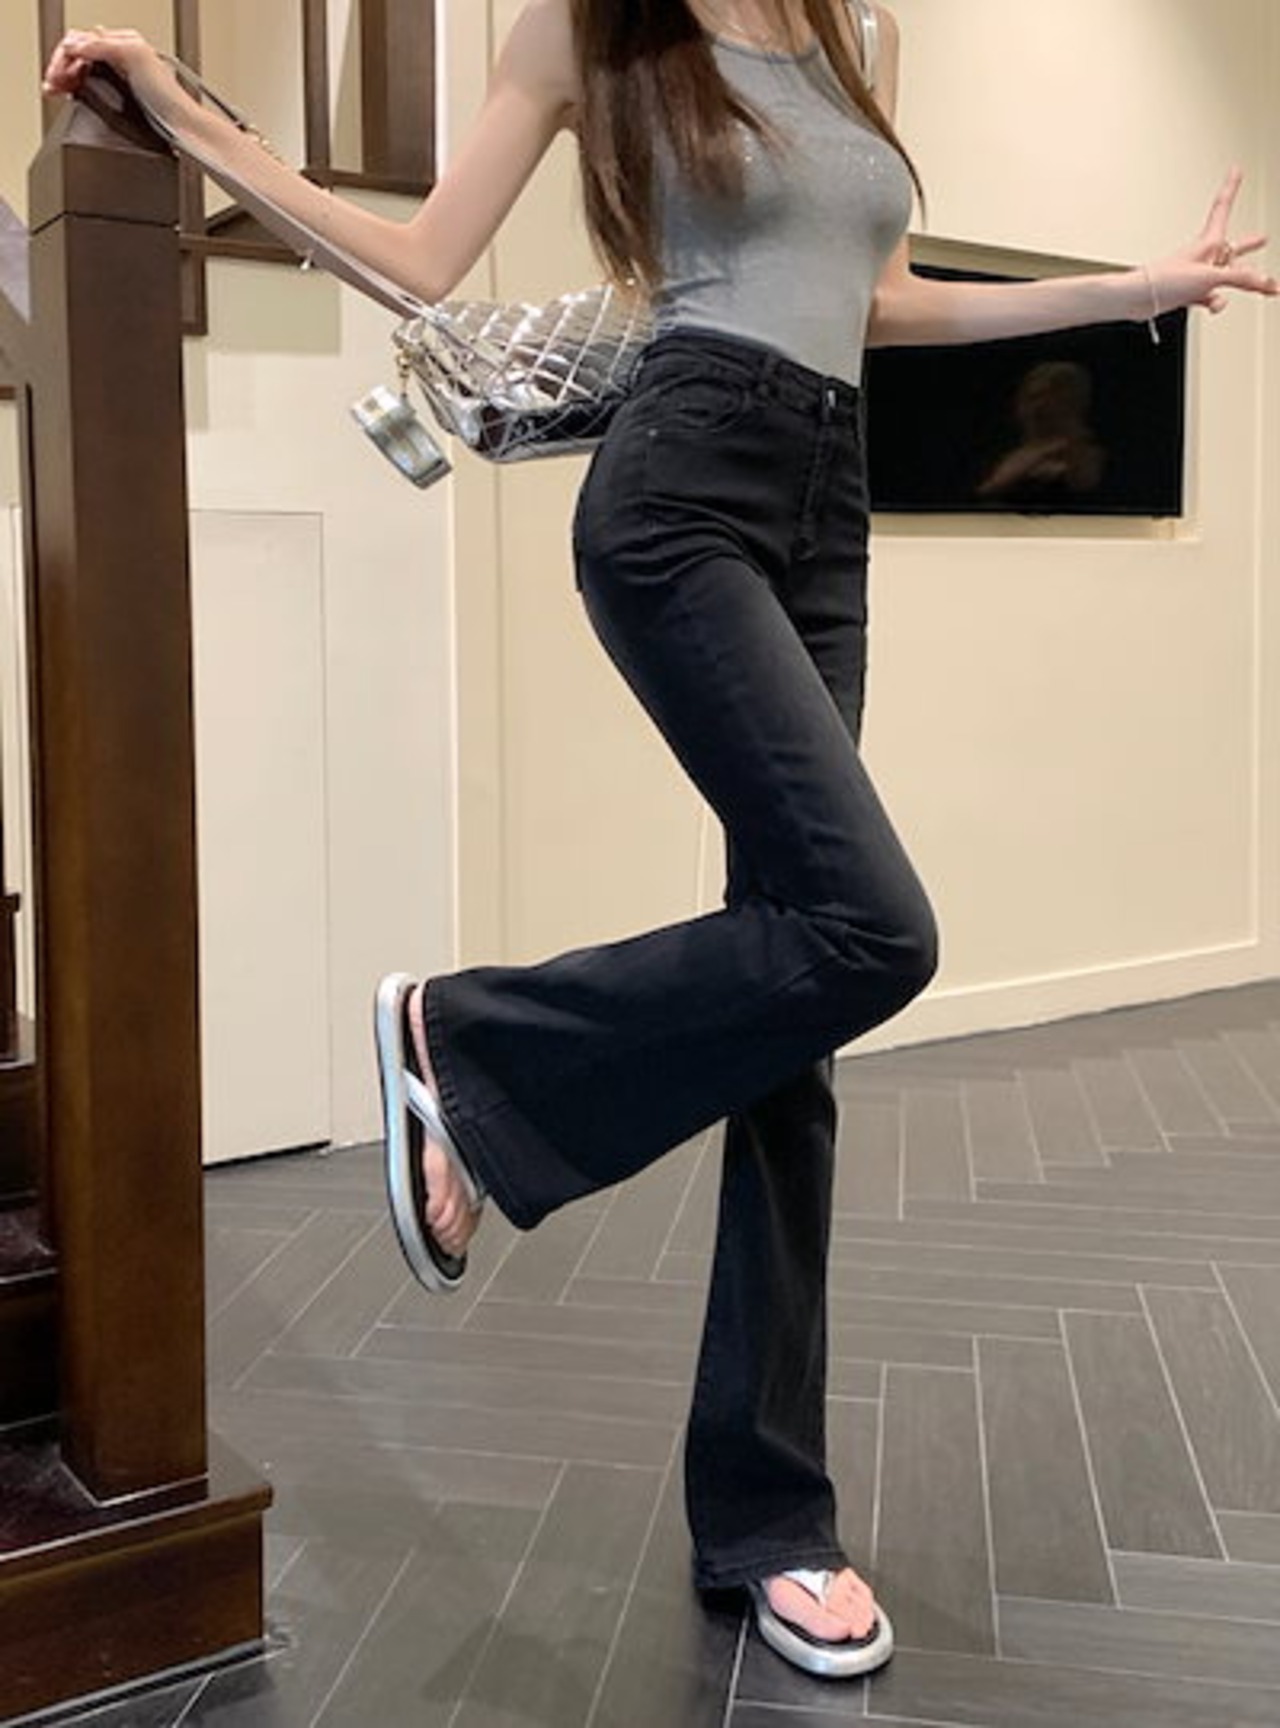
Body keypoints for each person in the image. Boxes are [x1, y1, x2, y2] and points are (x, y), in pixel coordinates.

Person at [45, 0, 1277, 1684]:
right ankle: (472, 1042)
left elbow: (877, 298)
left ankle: (770, 1520)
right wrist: (188, 110)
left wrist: (1135, 291)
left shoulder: (852, 33)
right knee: (876, 930)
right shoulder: (590, 29)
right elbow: (420, 258)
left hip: (827, 501)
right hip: (684, 480)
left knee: (799, 1016)